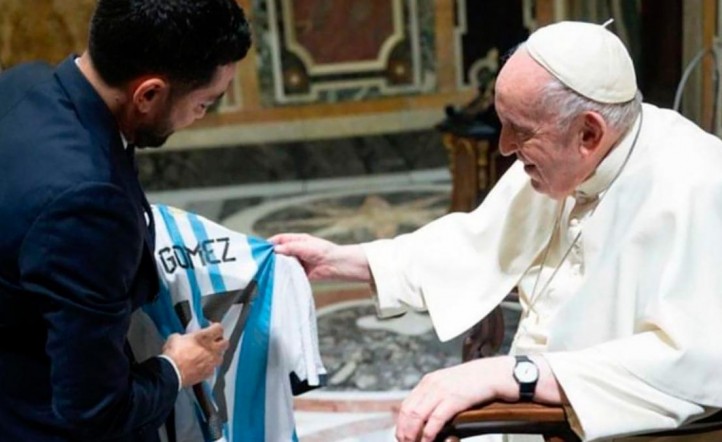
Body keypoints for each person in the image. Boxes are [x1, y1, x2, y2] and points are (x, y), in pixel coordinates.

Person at [272, 20, 722, 442]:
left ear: (588, 133)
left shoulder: (697, 184)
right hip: (542, 421)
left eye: (519, 131)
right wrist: (341, 260)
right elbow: (476, 243)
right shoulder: (570, 154)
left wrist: (513, 375)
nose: (505, 147)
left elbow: (693, 365)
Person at [0, 1, 251, 440]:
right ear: (148, 93)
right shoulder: (88, 205)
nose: (200, 116)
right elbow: (95, 411)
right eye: (203, 102)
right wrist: (175, 368)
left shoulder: (25, 82)